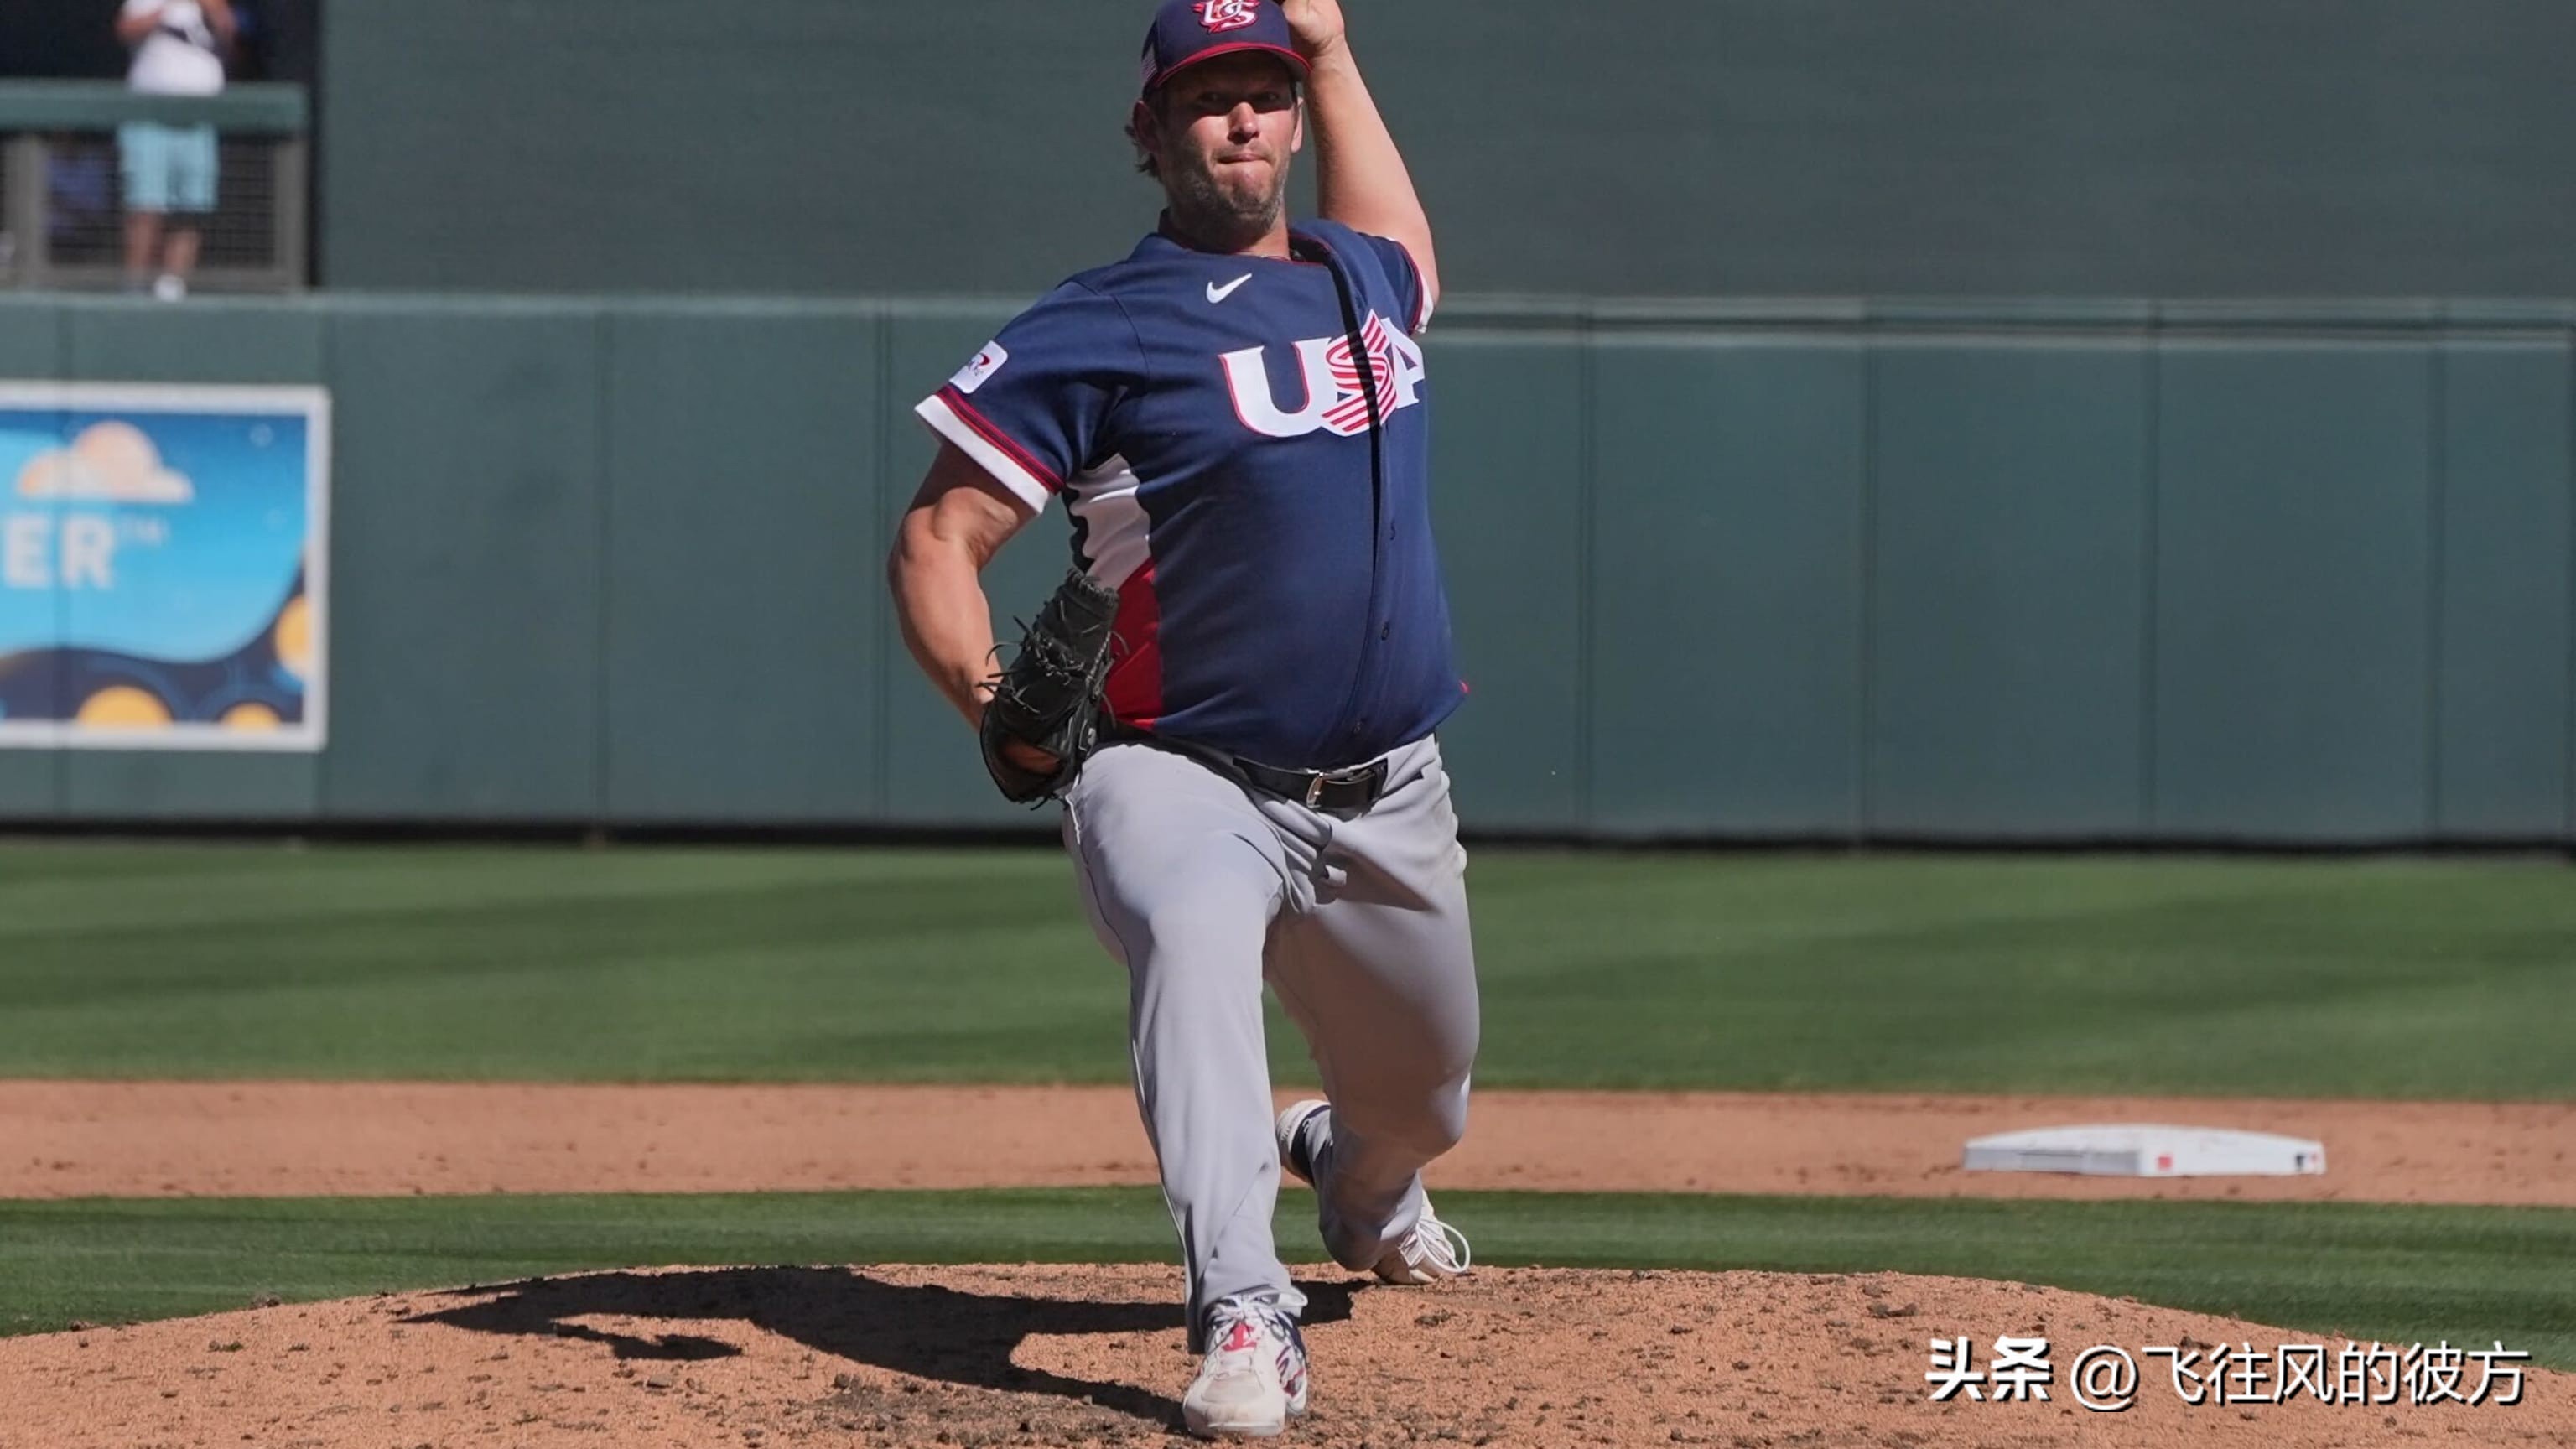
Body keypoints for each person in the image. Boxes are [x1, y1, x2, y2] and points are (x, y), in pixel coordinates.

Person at [888, 0, 1478, 1436]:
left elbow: (1412, 248)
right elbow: (936, 539)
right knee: (1194, 948)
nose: (1243, 119)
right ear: (1148, 134)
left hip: (1389, 787)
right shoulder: (1097, 326)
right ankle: (1242, 1308)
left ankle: (1358, 1176)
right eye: (1207, 96)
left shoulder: (1357, 276)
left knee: (1426, 1100)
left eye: (1264, 92)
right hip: (1179, 771)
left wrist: (1332, 52)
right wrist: (989, 698)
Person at [114, 0, 234, 301]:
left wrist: (212, 9)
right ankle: (135, 285)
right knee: (147, 205)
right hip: (151, 114)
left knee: (192, 206)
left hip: (199, 119)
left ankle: (173, 286)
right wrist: (164, 12)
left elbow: (229, 33)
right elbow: (125, 30)